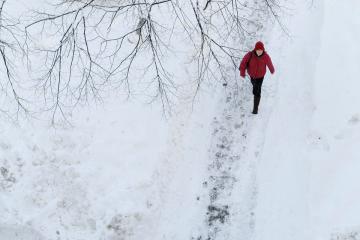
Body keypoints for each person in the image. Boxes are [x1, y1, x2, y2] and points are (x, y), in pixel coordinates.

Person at [239, 41, 275, 114]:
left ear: (263, 50)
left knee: (257, 90)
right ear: (255, 49)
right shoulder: (250, 55)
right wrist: (242, 72)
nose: (259, 52)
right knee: (254, 86)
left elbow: (269, 63)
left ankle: (255, 109)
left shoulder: (265, 56)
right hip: (252, 75)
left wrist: (272, 70)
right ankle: (255, 90)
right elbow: (243, 63)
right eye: (258, 50)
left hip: (261, 76)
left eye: (261, 51)